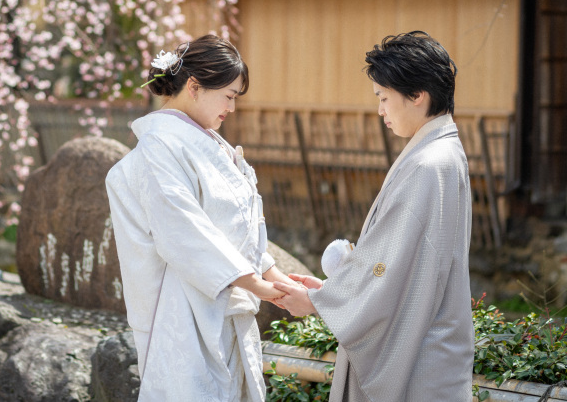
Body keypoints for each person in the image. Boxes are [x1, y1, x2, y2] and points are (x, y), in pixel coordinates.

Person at [274, 31, 474, 401]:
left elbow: (391, 263)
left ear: (417, 95)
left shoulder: (429, 164)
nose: (380, 109)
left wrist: (319, 303)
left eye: (384, 97)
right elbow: (403, 262)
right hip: (434, 347)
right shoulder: (442, 152)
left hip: (420, 360)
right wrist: (332, 291)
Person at [106, 35, 292, 401]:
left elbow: (231, 227)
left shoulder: (206, 142)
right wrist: (256, 284)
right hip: (183, 308)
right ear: (194, 87)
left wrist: (273, 274)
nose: (232, 108)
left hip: (222, 298)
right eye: (229, 96)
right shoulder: (160, 146)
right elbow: (186, 231)